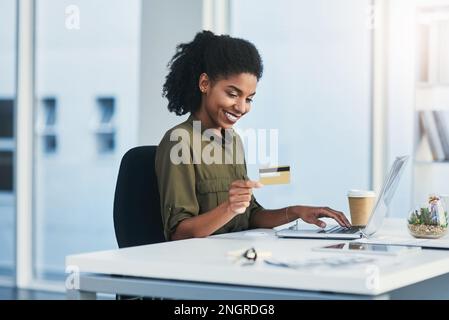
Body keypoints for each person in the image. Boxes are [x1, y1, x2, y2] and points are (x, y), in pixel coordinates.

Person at [156, 30, 351, 241]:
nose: (241, 107)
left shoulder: (232, 140)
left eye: (249, 99)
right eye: (232, 94)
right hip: (203, 264)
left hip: (233, 256)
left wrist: (296, 212)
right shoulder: (180, 142)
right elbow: (179, 234)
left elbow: (250, 215)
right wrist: (229, 208)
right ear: (205, 84)